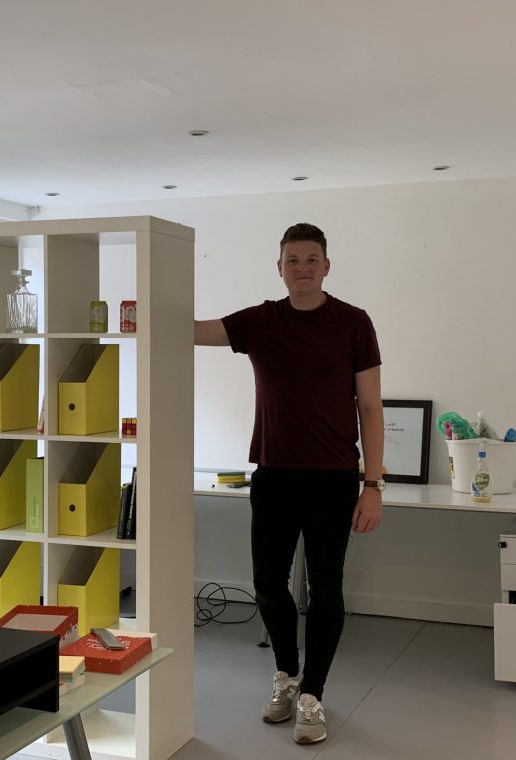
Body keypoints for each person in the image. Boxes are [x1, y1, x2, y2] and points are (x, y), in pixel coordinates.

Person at [195, 222, 384, 745]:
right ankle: (286, 673)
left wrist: (374, 485)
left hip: (335, 479)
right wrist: (142, 307)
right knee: (268, 586)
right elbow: (189, 330)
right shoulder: (260, 321)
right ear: (279, 268)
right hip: (274, 476)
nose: (302, 268)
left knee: (325, 589)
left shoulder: (353, 323)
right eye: (292, 260)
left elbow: (370, 406)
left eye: (311, 259)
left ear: (326, 266)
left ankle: (312, 696)